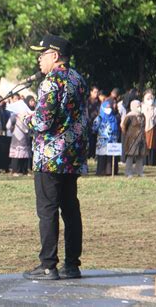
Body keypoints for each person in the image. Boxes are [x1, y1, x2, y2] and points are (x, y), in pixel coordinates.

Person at [23, 34, 88, 280]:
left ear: (55, 55)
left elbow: (42, 121)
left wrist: (26, 118)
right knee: (70, 209)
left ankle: (48, 265)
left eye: (42, 54)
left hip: (49, 157)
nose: (39, 59)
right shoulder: (78, 79)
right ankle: (72, 265)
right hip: (72, 155)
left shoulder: (51, 82)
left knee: (48, 210)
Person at [92, 100, 120, 175]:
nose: (108, 109)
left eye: (109, 107)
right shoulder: (99, 118)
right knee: (102, 157)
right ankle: (101, 171)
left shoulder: (113, 117)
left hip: (112, 140)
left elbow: (116, 129)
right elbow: (94, 128)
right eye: (106, 107)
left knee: (110, 157)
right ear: (103, 108)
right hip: (102, 141)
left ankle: (110, 171)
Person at [122, 100, 146, 177]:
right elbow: (124, 127)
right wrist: (128, 135)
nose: (139, 108)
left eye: (140, 106)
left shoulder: (142, 116)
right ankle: (128, 172)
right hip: (132, 139)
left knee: (140, 155)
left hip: (141, 138)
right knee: (130, 156)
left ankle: (139, 171)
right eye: (138, 106)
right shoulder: (129, 116)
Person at [141, 90, 156, 166]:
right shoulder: (143, 106)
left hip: (154, 127)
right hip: (145, 127)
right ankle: (145, 161)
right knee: (146, 144)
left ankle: (152, 161)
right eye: (148, 98)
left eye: (151, 97)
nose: (150, 100)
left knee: (153, 144)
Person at [87, 86, 101, 159]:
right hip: (89, 122)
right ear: (91, 92)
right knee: (89, 140)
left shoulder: (99, 102)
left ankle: (94, 154)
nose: (96, 94)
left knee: (95, 140)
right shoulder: (87, 101)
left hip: (97, 123)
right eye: (95, 92)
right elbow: (86, 112)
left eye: (97, 92)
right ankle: (89, 154)